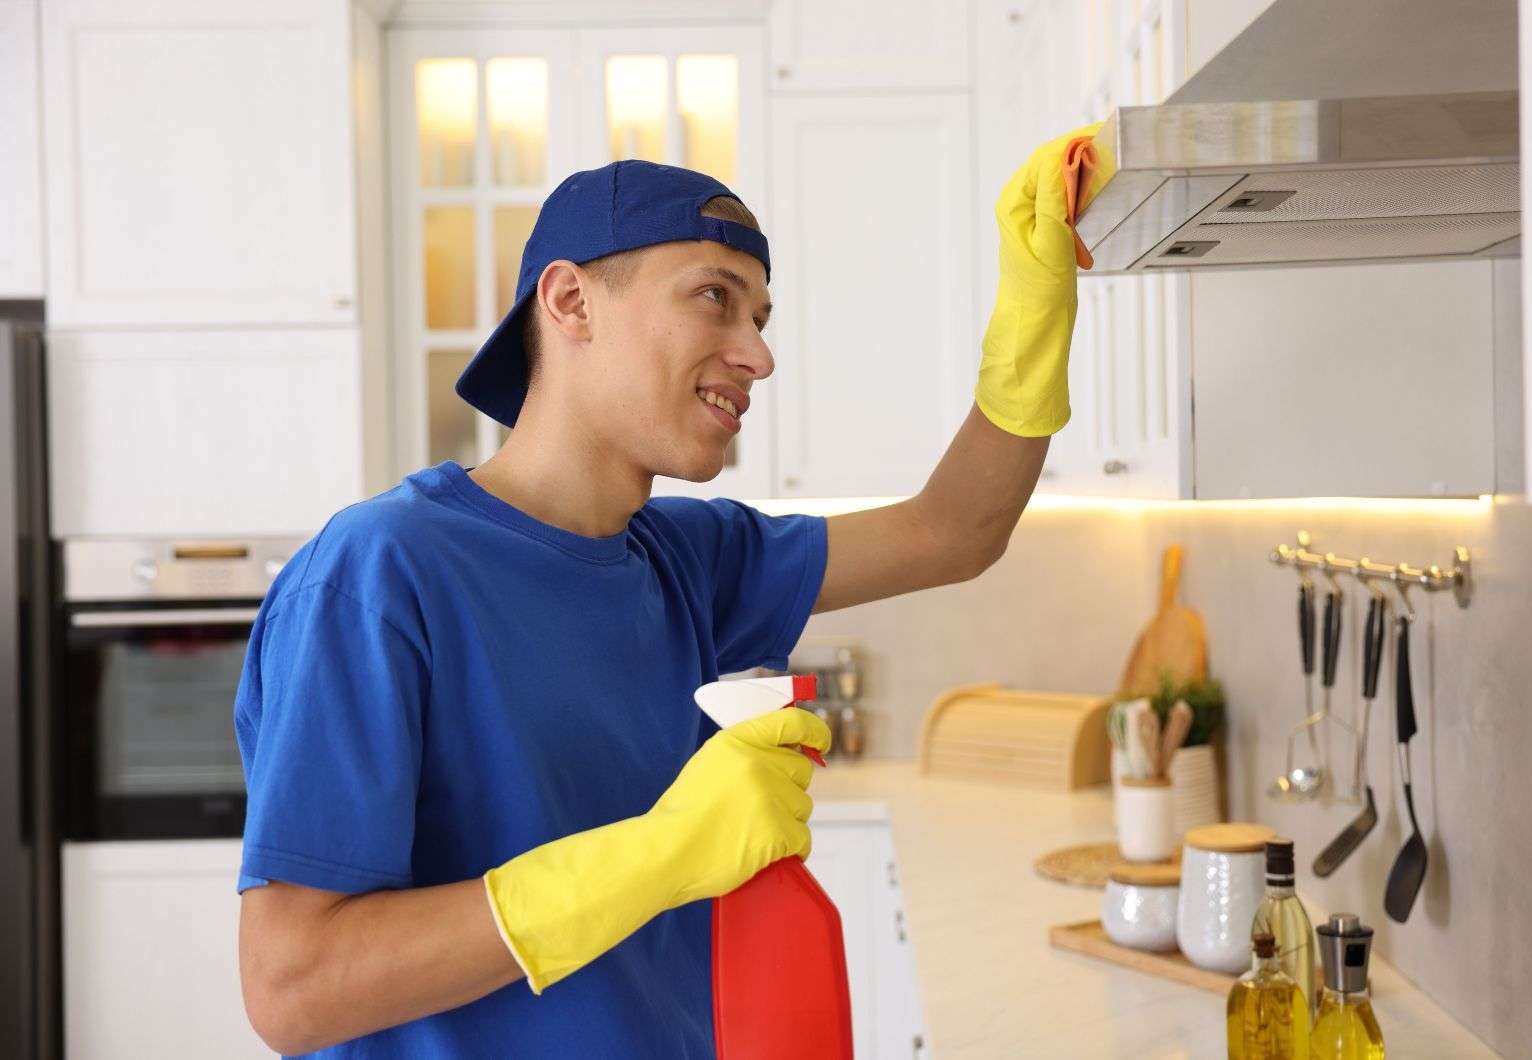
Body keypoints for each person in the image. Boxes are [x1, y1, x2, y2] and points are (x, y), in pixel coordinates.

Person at [235, 129, 1106, 1057]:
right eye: (714, 299)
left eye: (760, 319)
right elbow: (295, 987)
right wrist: (661, 854)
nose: (758, 356)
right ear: (571, 301)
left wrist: (1034, 300)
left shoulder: (685, 558)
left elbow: (954, 530)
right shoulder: (377, 573)